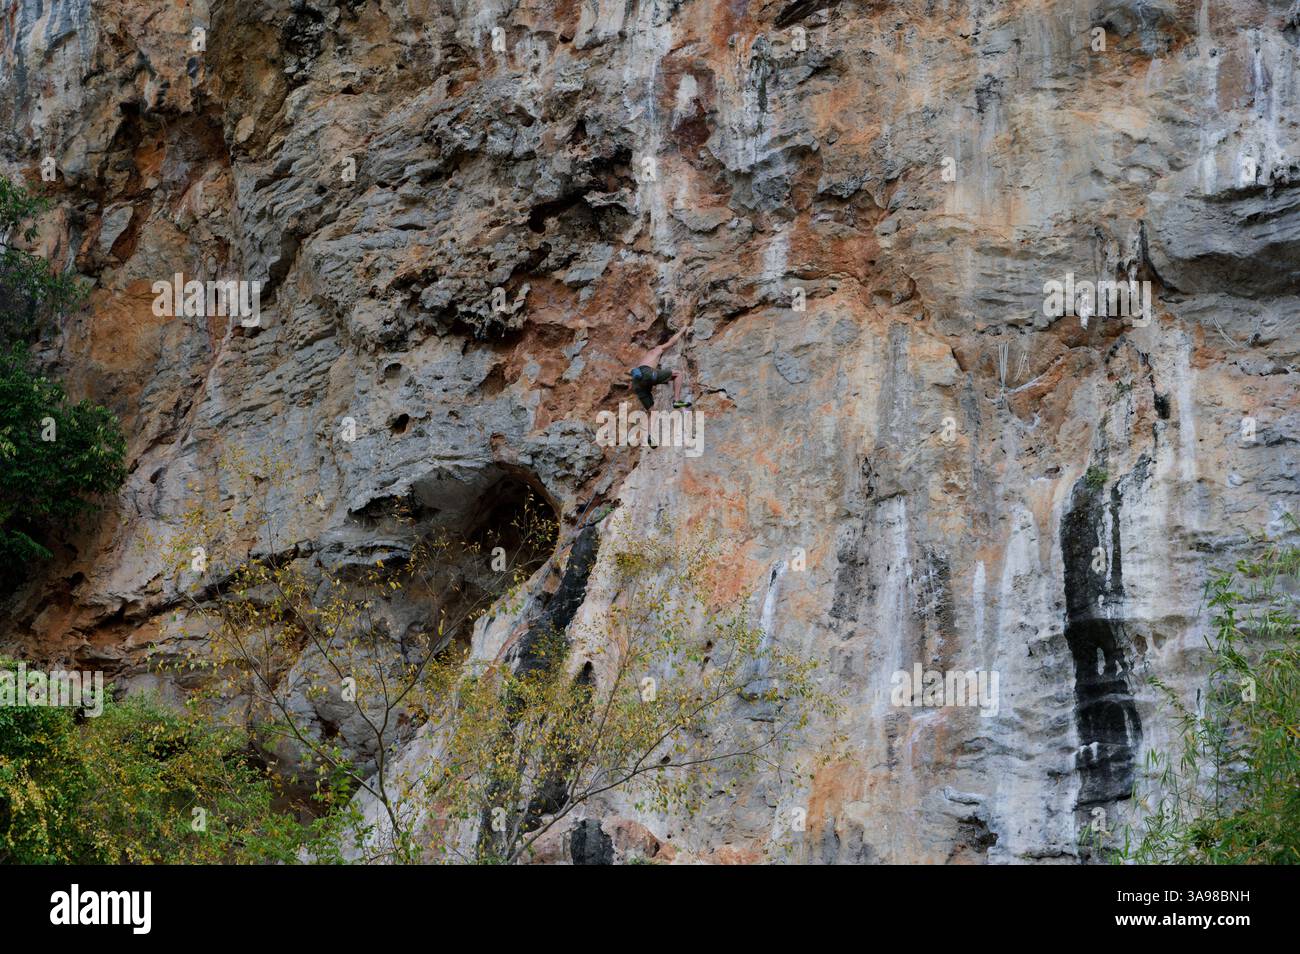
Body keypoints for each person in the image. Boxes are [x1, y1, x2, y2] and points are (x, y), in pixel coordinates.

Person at [628, 322, 690, 411]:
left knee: (652, 412)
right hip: (646, 373)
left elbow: (639, 377)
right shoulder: (656, 349)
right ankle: (677, 400)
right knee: (678, 374)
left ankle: (653, 424)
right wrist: (682, 331)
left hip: (637, 384)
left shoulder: (643, 360)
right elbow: (671, 342)